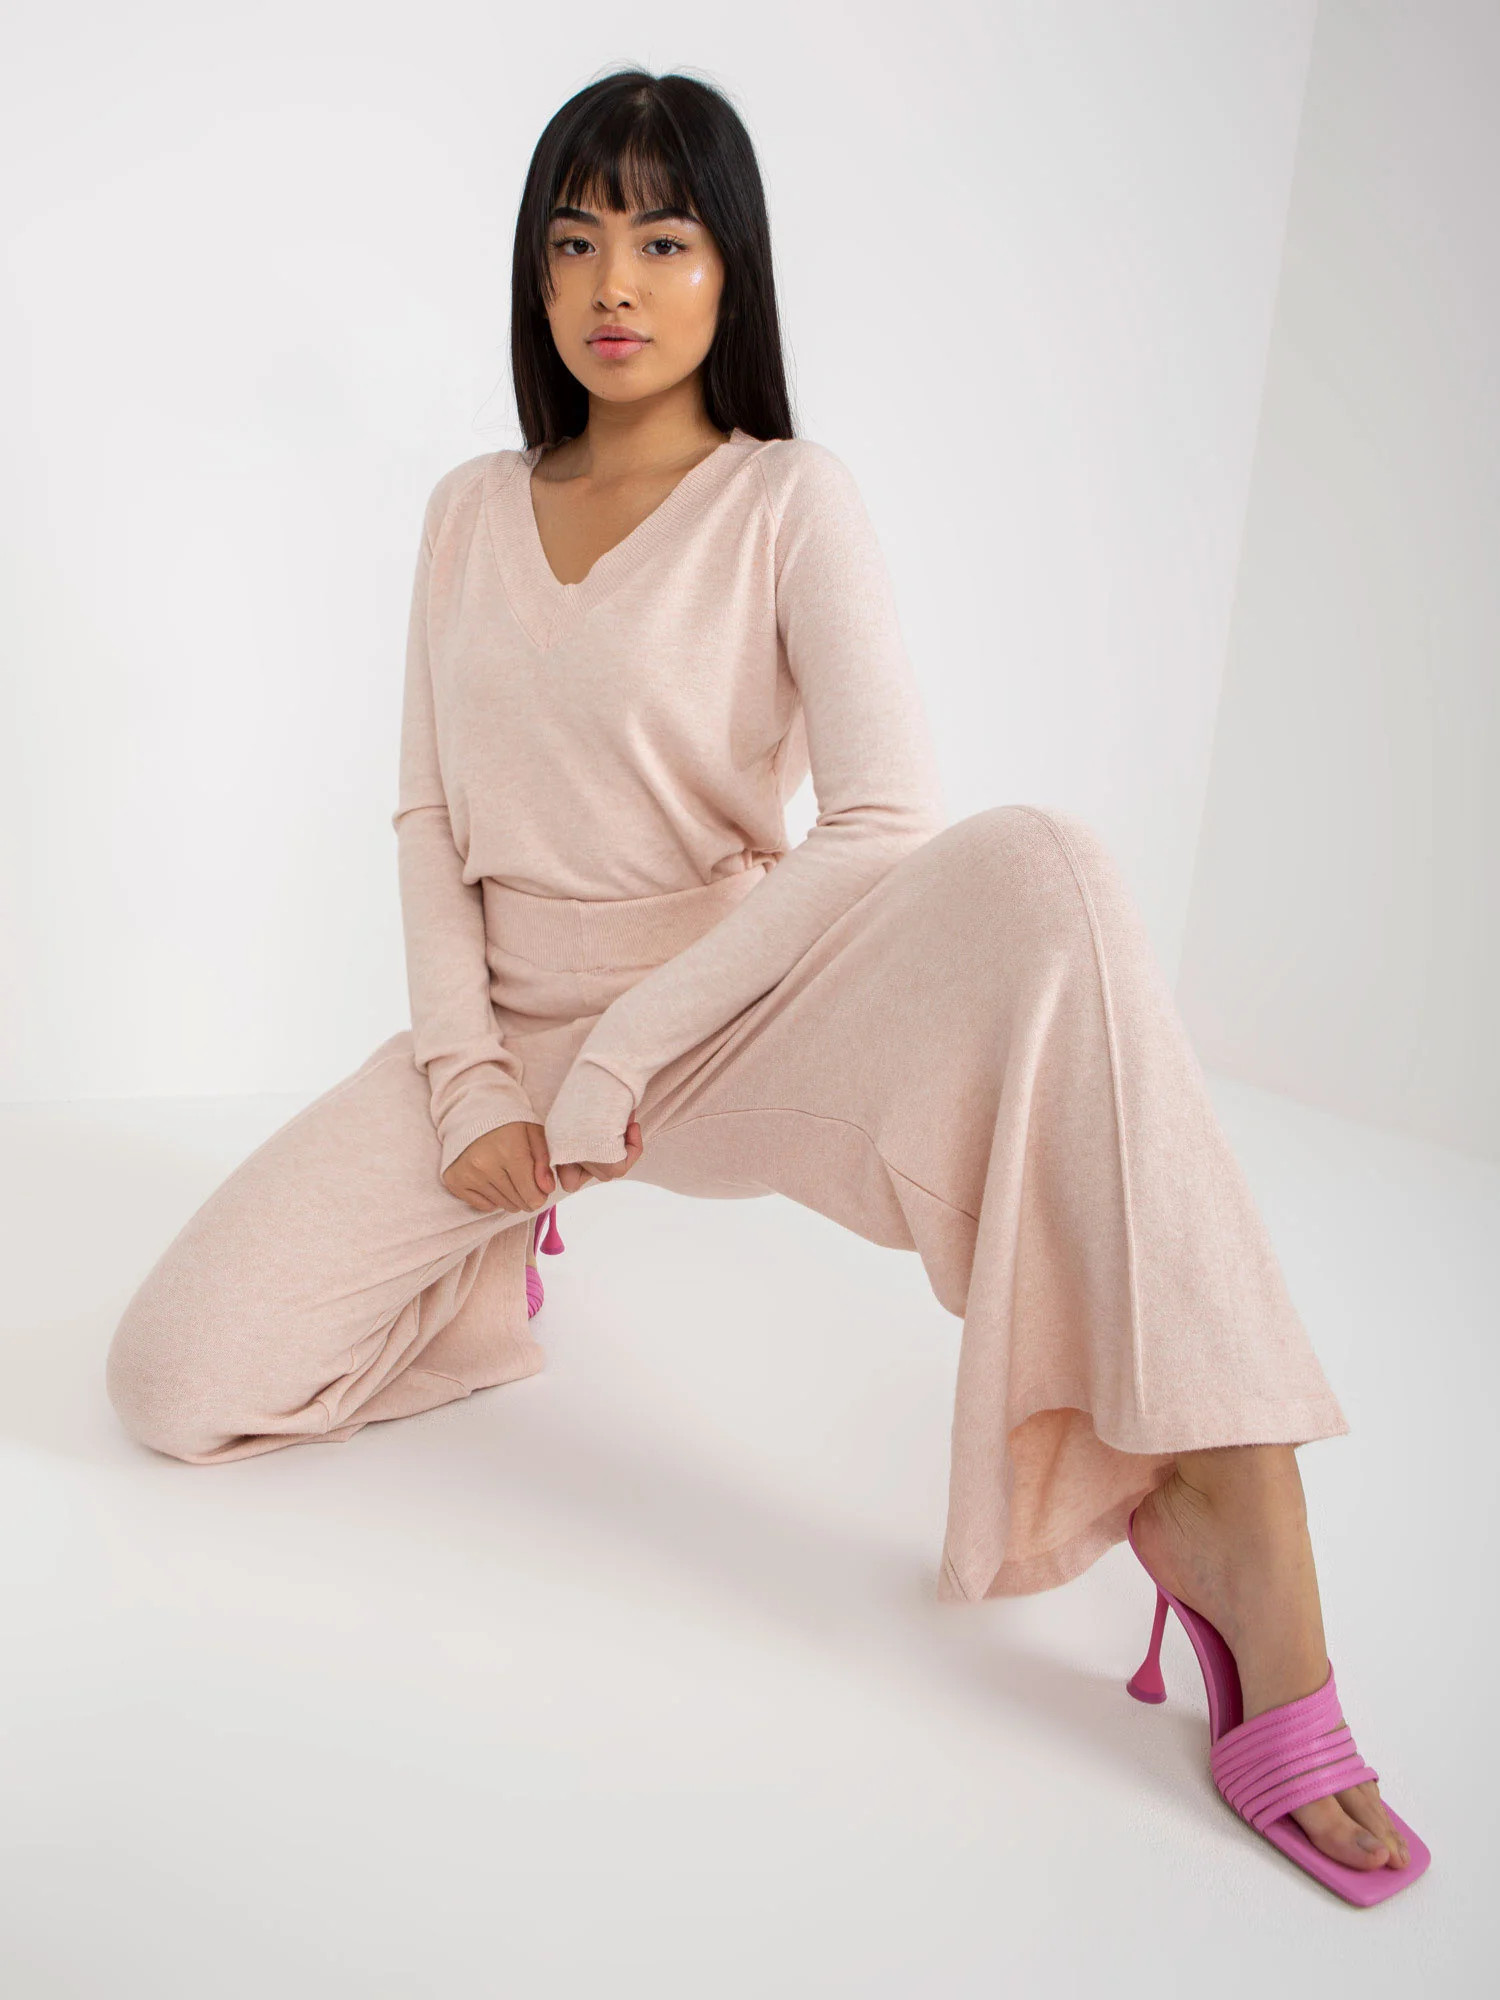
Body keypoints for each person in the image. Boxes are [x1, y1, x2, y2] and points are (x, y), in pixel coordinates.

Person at [105, 68, 1422, 1898]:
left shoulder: (789, 499)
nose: (613, 282)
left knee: (1049, 866)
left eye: (664, 239)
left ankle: (1232, 1494)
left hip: (732, 1018)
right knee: (174, 1382)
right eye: (575, 241)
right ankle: (491, 1263)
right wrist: (476, 1085)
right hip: (509, 1048)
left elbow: (881, 820)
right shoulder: (466, 510)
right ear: (533, 273)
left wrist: (629, 1057)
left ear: (734, 270)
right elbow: (425, 821)